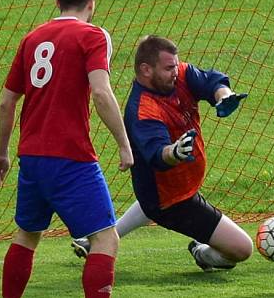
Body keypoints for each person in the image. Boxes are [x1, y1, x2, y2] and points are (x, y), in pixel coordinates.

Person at [0, 0, 133, 298]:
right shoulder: (92, 36)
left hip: (32, 159)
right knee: (106, 238)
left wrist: (2, 153)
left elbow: (7, 102)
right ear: (92, 4)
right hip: (71, 157)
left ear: (57, 2)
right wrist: (124, 144)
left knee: (27, 235)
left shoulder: (32, 38)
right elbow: (101, 93)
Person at [71, 35, 253, 272]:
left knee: (148, 202)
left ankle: (95, 239)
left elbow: (210, 81)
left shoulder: (178, 76)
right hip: (172, 202)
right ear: (146, 70)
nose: (175, 71)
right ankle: (201, 252)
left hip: (170, 189)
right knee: (241, 249)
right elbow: (159, 154)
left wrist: (224, 95)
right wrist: (175, 153)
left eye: (175, 65)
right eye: (168, 68)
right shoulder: (143, 110)